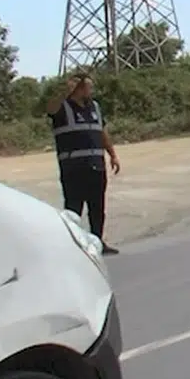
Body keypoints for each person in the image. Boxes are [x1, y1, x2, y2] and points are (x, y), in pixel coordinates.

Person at [45, 72, 122, 254]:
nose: (91, 90)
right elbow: (49, 108)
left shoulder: (94, 107)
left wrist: (112, 154)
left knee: (97, 208)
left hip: (96, 166)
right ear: (78, 88)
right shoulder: (62, 107)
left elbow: (102, 132)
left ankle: (98, 242)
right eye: (88, 87)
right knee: (73, 210)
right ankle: (73, 247)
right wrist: (65, 91)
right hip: (73, 169)